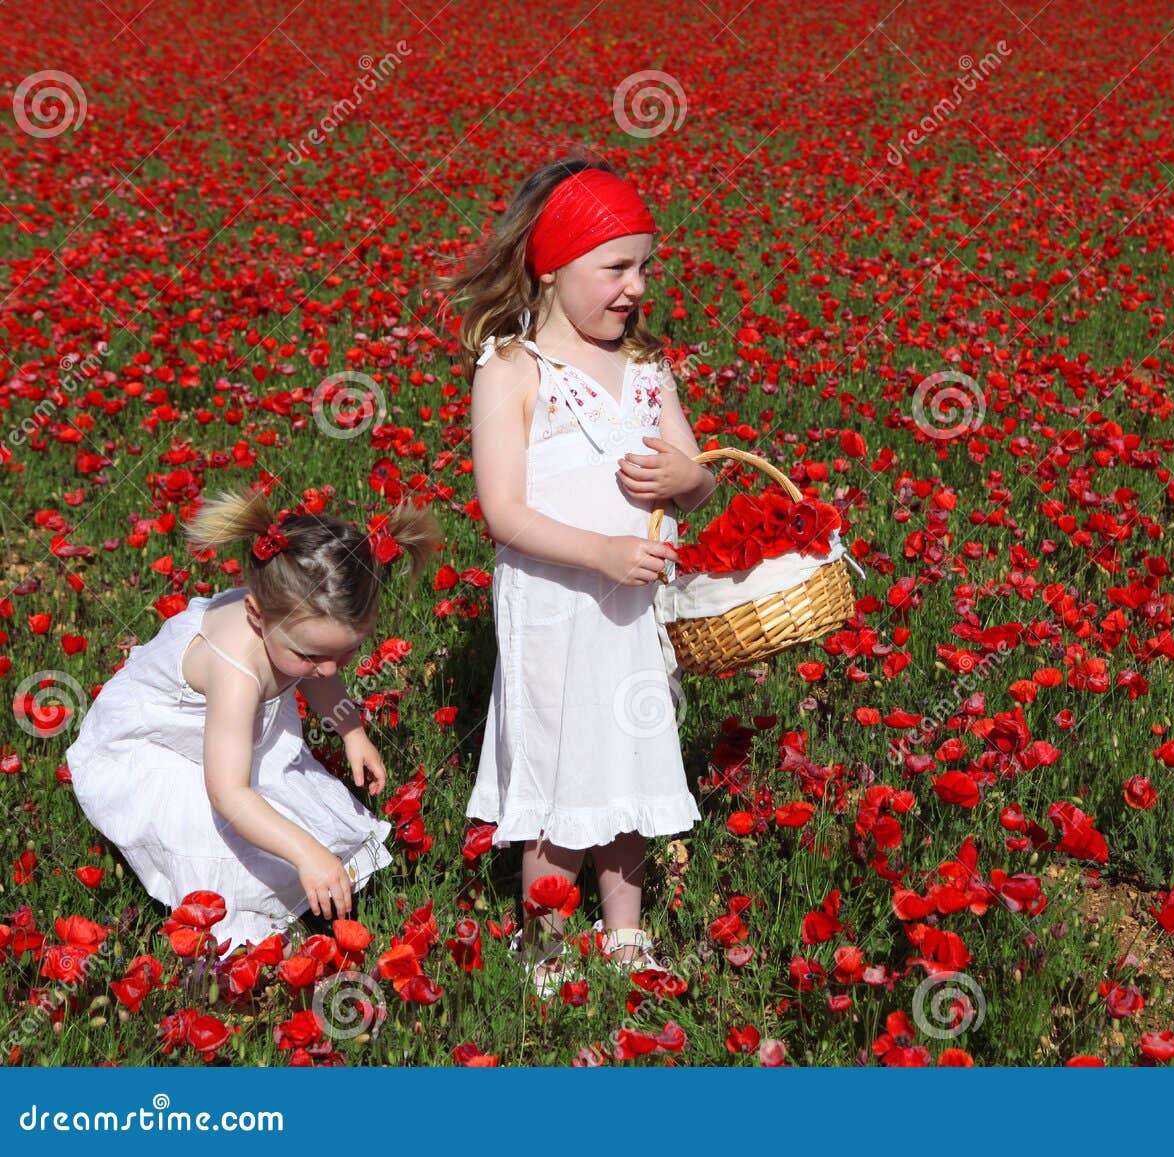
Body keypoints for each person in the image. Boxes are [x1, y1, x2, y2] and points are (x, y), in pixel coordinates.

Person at [439, 157, 714, 994]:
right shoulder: (513, 369)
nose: (635, 287)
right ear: (551, 267)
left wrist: (685, 481)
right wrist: (599, 552)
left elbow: (702, 477)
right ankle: (549, 950)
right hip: (555, 615)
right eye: (616, 267)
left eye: (645, 268)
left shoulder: (646, 373)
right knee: (558, 778)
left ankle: (626, 938)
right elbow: (503, 512)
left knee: (626, 769)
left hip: (632, 615)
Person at [64, 489, 442, 952]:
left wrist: (351, 730)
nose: (330, 668)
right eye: (311, 655)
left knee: (288, 807)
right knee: (223, 847)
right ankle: (241, 944)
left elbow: (320, 678)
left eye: (347, 653)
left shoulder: (296, 635)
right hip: (158, 746)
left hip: (227, 734)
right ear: (255, 615)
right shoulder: (236, 671)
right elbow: (227, 793)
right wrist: (305, 852)